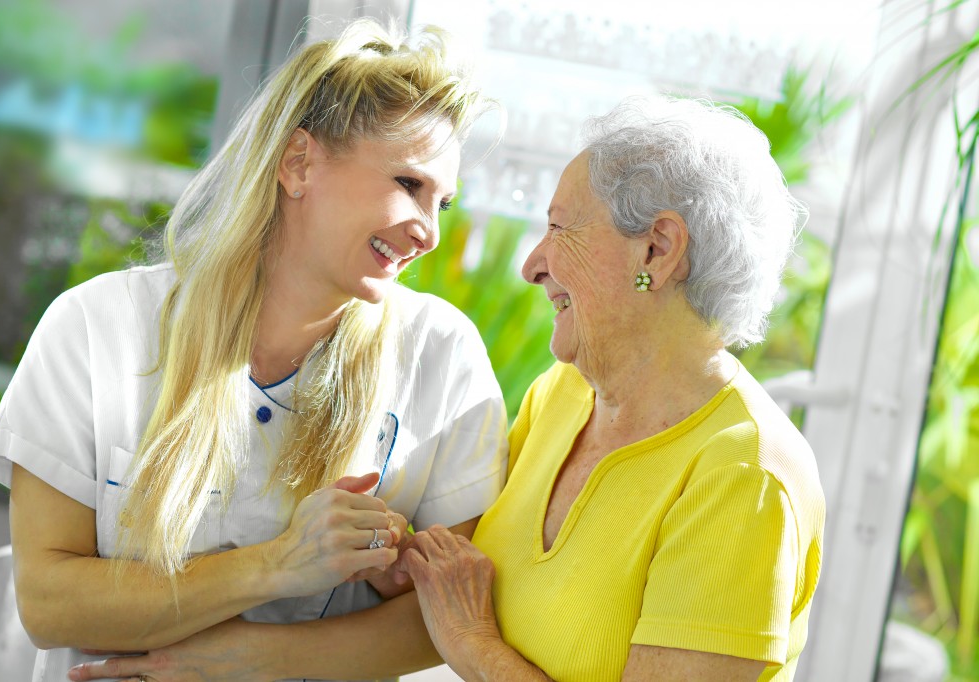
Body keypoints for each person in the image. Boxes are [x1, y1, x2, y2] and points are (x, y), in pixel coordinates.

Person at [69, 97, 824, 682]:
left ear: (656, 249)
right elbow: (468, 571)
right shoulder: (563, 399)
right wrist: (398, 555)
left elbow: (470, 622)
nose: (532, 264)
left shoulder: (744, 480)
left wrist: (475, 647)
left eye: (561, 229)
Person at [0, 17, 506, 682]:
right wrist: (279, 563)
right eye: (409, 184)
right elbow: (51, 604)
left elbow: (444, 616)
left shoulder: (444, 356)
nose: (428, 231)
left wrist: (244, 661)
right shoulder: (94, 326)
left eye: (444, 203)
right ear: (298, 164)